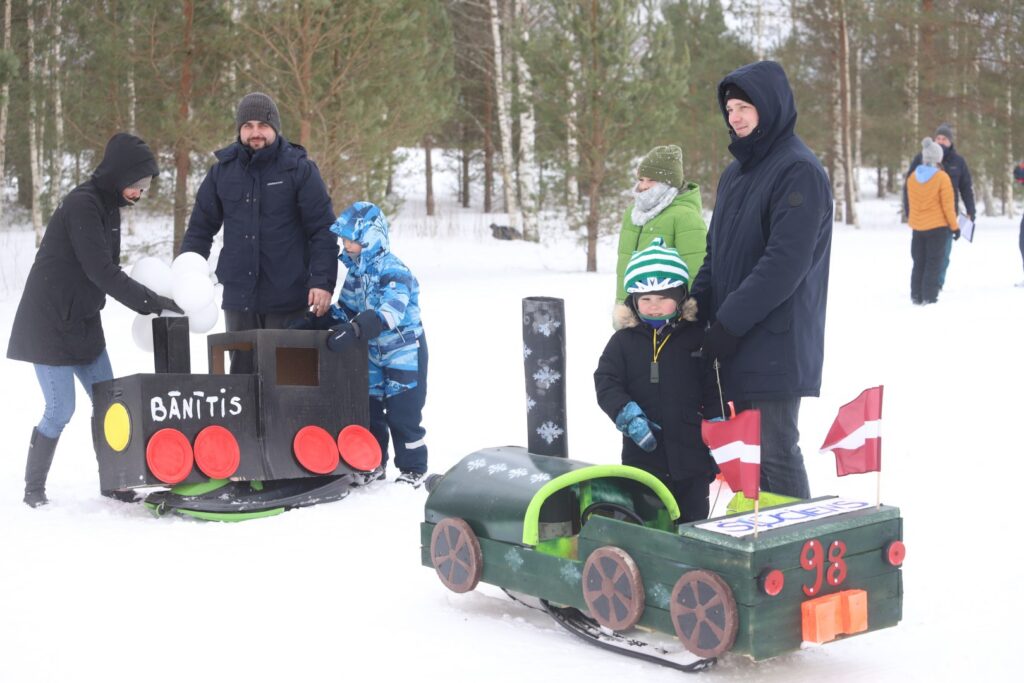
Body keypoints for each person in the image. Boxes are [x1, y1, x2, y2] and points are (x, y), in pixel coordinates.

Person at [7, 133, 182, 508]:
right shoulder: (82, 204)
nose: (140, 193)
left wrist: (150, 298)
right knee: (60, 409)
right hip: (49, 323)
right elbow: (101, 271)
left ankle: (115, 482)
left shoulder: (110, 207)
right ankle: (33, 490)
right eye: (137, 184)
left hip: (84, 320)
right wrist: (150, 302)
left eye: (145, 186)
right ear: (119, 175)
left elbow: (106, 270)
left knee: (109, 402)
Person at [690, 61, 833, 500]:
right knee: (750, 452)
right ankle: (764, 536)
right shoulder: (735, 174)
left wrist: (729, 323)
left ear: (769, 106)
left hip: (775, 337)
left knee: (775, 450)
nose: (735, 117)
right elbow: (716, 253)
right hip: (737, 336)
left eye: (744, 107)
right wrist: (694, 307)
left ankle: (800, 538)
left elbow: (784, 264)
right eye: (730, 109)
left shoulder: (798, 170)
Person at [179, 92, 338, 372]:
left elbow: (322, 230)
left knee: (288, 380)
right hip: (239, 300)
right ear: (239, 130)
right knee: (241, 382)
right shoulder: (221, 172)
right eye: (248, 126)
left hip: (288, 298)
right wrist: (185, 278)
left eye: (263, 125)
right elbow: (199, 231)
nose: (255, 132)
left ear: (275, 127)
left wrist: (322, 281)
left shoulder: (299, 169)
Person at [294, 202, 428, 486]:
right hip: (372, 351)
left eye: (352, 240)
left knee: (403, 413)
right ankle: (373, 463)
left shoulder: (394, 271)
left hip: (403, 350)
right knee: (369, 410)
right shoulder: (356, 274)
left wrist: (355, 329)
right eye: (344, 240)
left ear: (371, 238)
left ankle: (413, 468)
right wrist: (319, 319)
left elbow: (389, 314)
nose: (346, 246)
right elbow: (348, 309)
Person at [595, 239, 715, 522]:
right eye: (646, 299)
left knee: (692, 523)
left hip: (691, 458)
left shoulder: (697, 338)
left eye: (663, 298)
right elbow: (606, 380)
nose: (654, 307)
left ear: (680, 296)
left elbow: (713, 384)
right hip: (642, 457)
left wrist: (716, 423)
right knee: (647, 523)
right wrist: (628, 416)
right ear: (633, 301)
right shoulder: (622, 342)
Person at [613, 144, 707, 330]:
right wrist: (623, 309)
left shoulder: (685, 216)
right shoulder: (633, 213)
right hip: (635, 311)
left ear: (669, 182)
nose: (644, 186)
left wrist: (688, 319)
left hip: (668, 317)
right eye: (641, 179)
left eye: (651, 180)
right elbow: (624, 267)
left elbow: (696, 272)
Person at [903, 123, 975, 291]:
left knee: (942, 255)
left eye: (944, 139)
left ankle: (936, 284)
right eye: (938, 138)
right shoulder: (922, 158)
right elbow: (908, 187)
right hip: (924, 216)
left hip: (948, 216)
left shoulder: (958, 161)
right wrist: (909, 212)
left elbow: (966, 188)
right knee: (922, 256)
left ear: (950, 142)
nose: (941, 141)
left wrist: (971, 211)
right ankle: (926, 288)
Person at [906, 137, 960, 304]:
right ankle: (929, 297)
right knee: (933, 263)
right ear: (938, 158)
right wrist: (955, 227)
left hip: (918, 228)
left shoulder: (913, 177)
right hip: (937, 228)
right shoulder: (942, 178)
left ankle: (916, 295)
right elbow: (948, 206)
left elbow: (911, 203)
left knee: (919, 262)